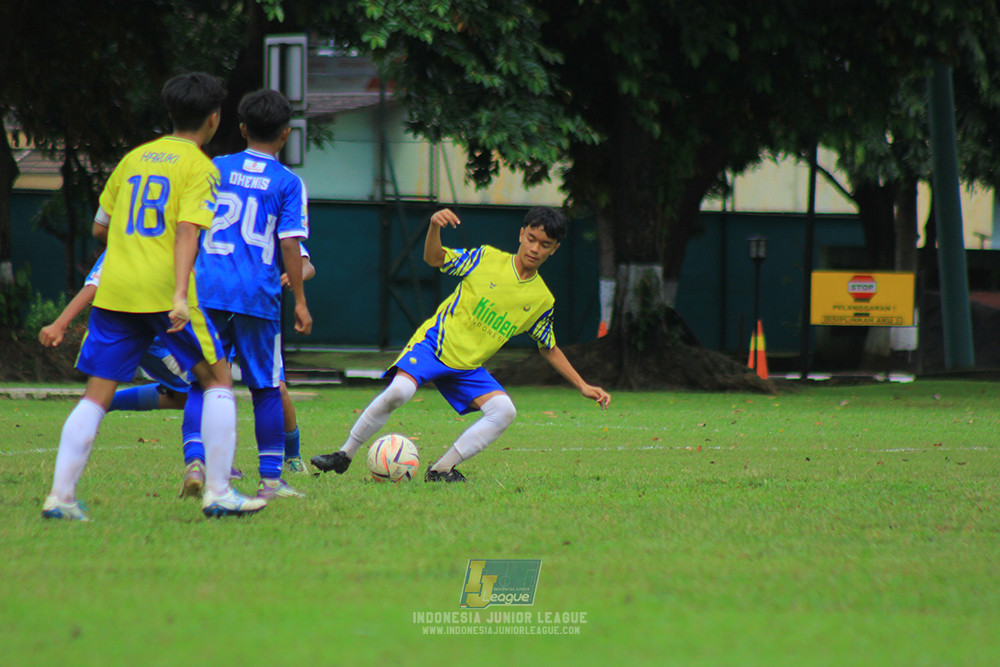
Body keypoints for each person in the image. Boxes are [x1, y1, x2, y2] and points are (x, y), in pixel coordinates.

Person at [41, 72, 265, 520]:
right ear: (214, 118)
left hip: (116, 291)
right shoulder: (200, 167)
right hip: (165, 294)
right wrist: (180, 294)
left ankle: (60, 497)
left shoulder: (134, 159)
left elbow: (100, 227)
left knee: (95, 396)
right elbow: (187, 231)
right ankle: (219, 492)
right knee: (218, 380)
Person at [311, 207, 611, 482]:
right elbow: (435, 259)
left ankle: (441, 469)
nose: (535, 248)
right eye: (531, 238)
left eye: (545, 244)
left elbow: (548, 347)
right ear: (521, 234)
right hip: (434, 347)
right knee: (400, 391)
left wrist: (583, 385)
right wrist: (434, 227)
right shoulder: (485, 259)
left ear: (554, 249)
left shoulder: (542, 300)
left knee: (504, 410)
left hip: (467, 368)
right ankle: (344, 455)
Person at [38, 248, 316, 491]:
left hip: (212, 313)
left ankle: (285, 458)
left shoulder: (152, 220)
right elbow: (98, 277)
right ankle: (214, 468)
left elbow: (300, 256)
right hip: (170, 326)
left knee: (213, 389)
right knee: (213, 385)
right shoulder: (174, 226)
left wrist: (61, 322)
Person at [193, 88, 312, 500]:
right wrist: (298, 300)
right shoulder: (288, 183)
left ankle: (198, 460)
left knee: (206, 379)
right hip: (256, 295)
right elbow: (289, 244)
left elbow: (190, 226)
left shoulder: (215, 167)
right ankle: (271, 480)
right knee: (264, 386)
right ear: (286, 133)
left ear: (241, 128)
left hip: (206, 288)